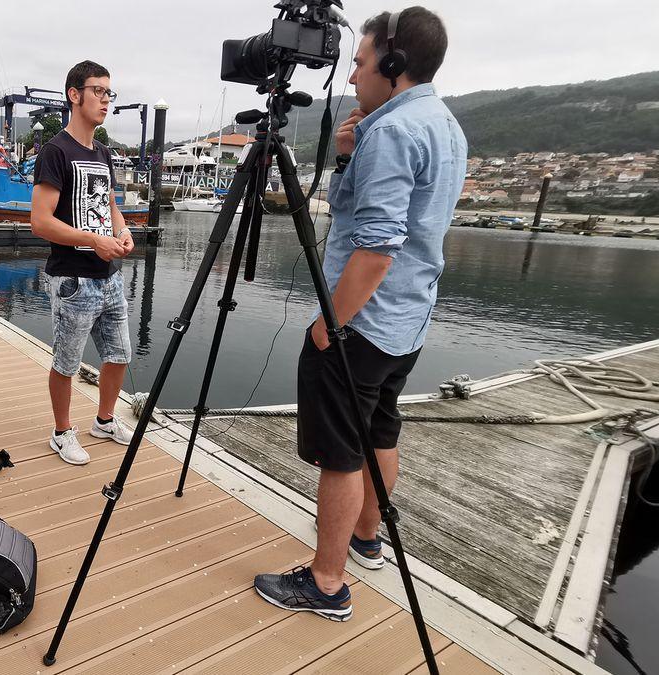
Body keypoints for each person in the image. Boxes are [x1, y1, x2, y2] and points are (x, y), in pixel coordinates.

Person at [254, 7, 468, 621]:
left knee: (341, 451)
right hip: (409, 320)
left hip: (363, 322)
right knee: (380, 430)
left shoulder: (395, 131)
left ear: (393, 66)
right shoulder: (446, 126)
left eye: (360, 61)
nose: (351, 76)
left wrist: (330, 324)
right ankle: (367, 539)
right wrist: (348, 153)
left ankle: (325, 583)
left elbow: (374, 249)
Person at [31, 60, 135, 465]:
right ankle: (61, 432)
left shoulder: (104, 153)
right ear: (74, 95)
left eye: (110, 92)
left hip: (109, 276)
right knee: (67, 362)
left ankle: (105, 420)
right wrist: (93, 240)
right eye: (98, 91)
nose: (106, 100)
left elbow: (110, 205)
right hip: (74, 279)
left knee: (120, 354)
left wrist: (122, 232)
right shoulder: (56, 151)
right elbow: (40, 221)